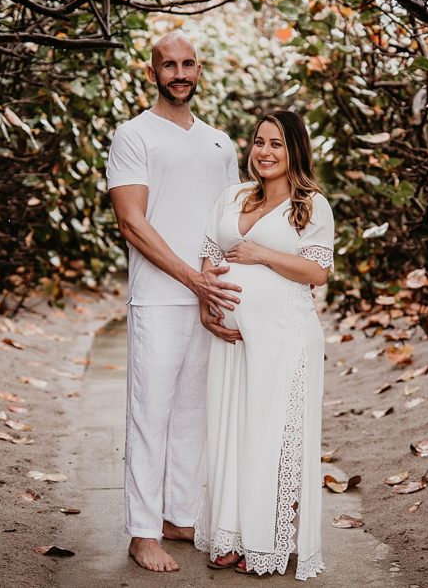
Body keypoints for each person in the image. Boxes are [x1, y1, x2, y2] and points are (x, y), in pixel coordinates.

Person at [106, 31, 242, 572]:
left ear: (200, 70)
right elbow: (131, 222)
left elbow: (225, 225)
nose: (179, 73)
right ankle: (142, 533)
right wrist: (193, 279)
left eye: (188, 64)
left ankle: (179, 518)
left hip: (207, 293)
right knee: (150, 414)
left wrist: (215, 288)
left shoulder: (221, 143)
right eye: (169, 65)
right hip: (159, 299)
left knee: (192, 414)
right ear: (152, 73)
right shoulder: (134, 135)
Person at [194, 110, 334, 580]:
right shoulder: (233, 195)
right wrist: (206, 298)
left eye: (276, 144)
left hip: (286, 338)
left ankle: (266, 542)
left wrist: (261, 255)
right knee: (232, 431)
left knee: (272, 435)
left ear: (294, 149)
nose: (265, 152)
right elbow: (209, 255)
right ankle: (232, 536)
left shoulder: (311, 204)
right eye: (258, 142)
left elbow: (317, 272)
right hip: (233, 338)